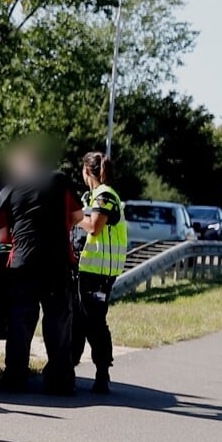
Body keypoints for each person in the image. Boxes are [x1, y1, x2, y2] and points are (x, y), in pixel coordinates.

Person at [0, 145, 83, 394]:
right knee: (58, 322)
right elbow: (78, 215)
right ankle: (60, 380)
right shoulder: (58, 180)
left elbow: (1, 237)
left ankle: (15, 377)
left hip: (22, 265)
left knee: (20, 322)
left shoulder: (7, 191)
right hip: (56, 263)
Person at [70, 151, 126, 393]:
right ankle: (67, 369)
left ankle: (102, 373)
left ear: (86, 171)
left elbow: (94, 227)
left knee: (94, 322)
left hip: (99, 273)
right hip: (87, 270)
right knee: (78, 321)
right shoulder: (92, 197)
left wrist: (74, 216)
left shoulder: (105, 196)